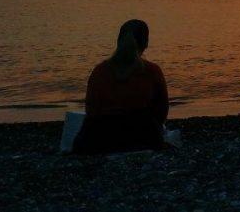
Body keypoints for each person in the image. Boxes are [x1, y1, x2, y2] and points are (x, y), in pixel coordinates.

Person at [72, 19, 169, 154]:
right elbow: (161, 111)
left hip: (98, 139)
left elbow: (91, 109)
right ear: (146, 44)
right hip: (140, 137)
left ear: (118, 42)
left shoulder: (100, 71)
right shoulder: (152, 71)